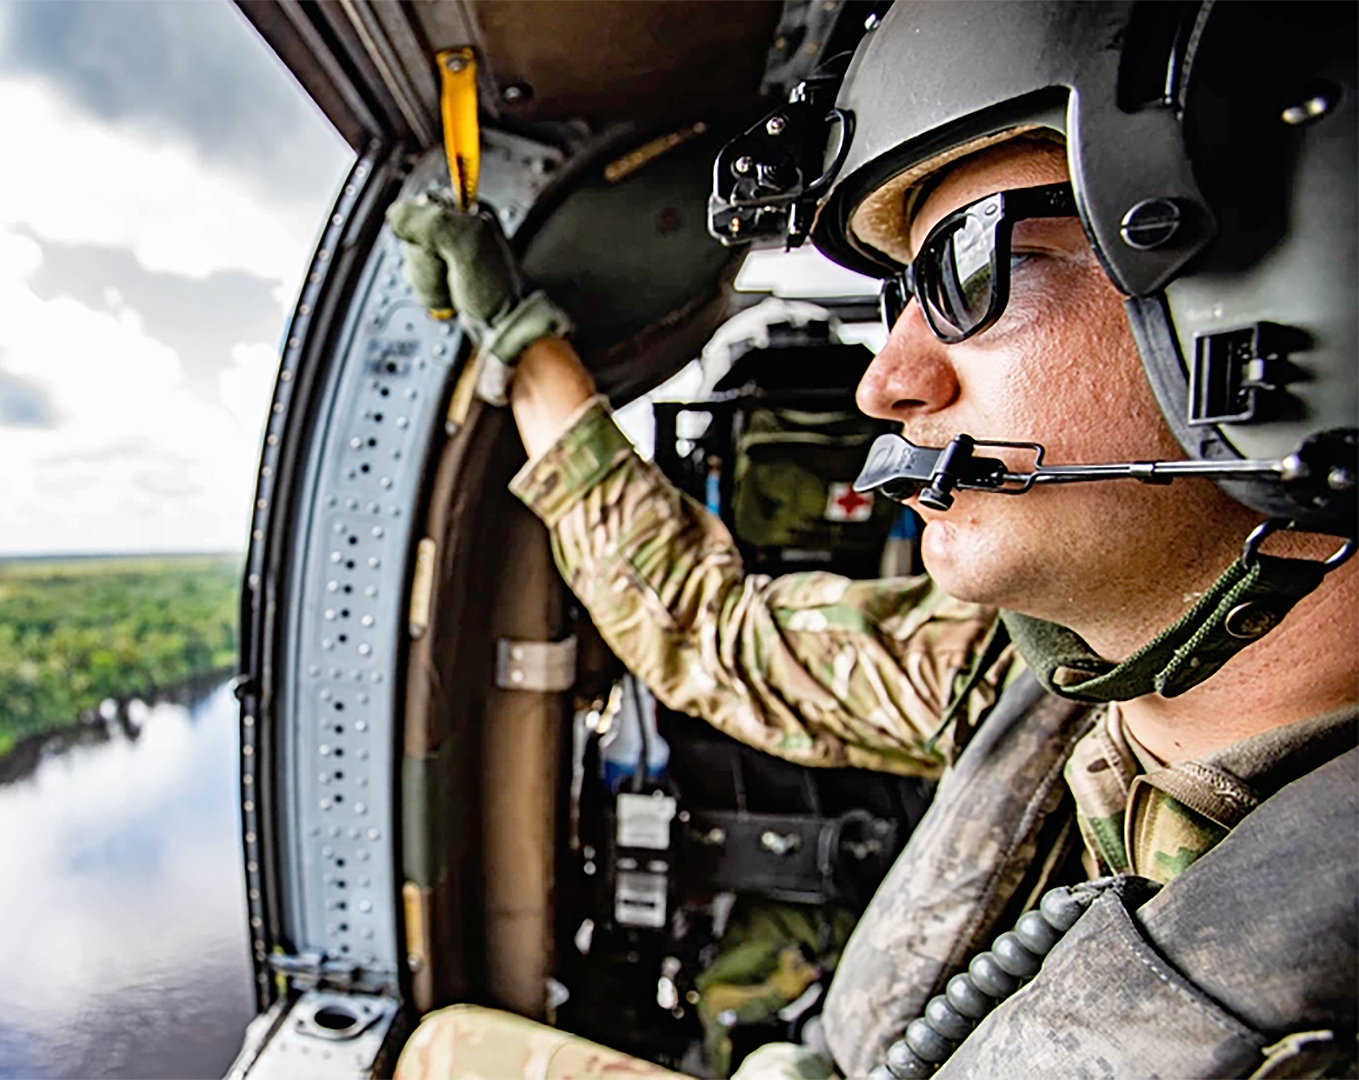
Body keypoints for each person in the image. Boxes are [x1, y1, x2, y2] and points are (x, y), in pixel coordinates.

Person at [383, 2, 1356, 1077]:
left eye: (968, 267)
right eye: (898, 297)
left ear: (1293, 303)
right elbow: (715, 634)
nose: (884, 383)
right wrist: (527, 352)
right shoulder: (1015, 680)